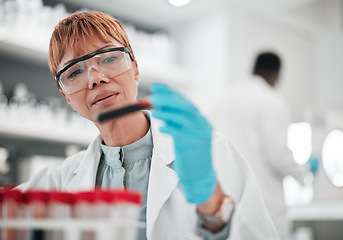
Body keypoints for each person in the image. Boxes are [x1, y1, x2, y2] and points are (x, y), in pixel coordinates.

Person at [16, 11, 280, 240]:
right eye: (74, 72)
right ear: (66, 96)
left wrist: (213, 205)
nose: (95, 79)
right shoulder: (58, 182)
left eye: (108, 58)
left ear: (135, 68)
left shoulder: (211, 151)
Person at [207, 52, 318, 240]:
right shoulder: (272, 101)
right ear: (275, 75)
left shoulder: (221, 99)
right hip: (263, 204)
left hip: (223, 203)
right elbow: (278, 156)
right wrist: (305, 170)